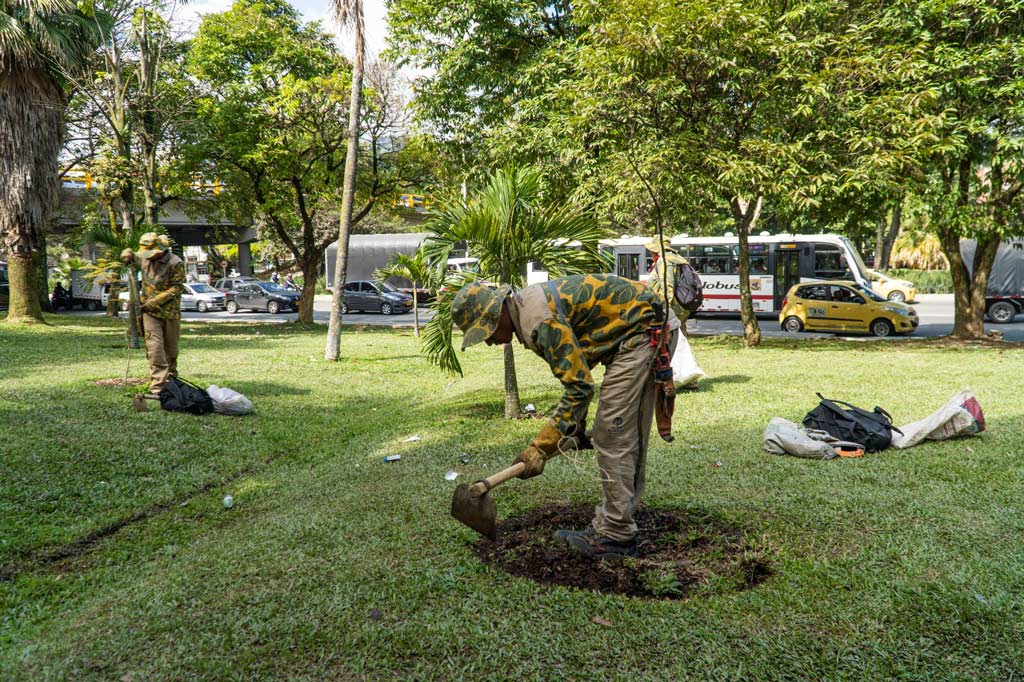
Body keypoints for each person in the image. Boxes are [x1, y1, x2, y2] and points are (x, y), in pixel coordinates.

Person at [450, 274, 679, 559]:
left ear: (496, 316)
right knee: (616, 432)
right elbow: (580, 359)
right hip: (637, 330)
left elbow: (580, 386)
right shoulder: (526, 307)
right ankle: (618, 518)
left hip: (644, 332)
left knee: (613, 433)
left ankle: (616, 536)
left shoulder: (538, 323)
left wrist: (540, 448)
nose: (488, 342)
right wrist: (575, 429)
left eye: (484, 333)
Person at [121, 233, 186, 396]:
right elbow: (131, 256)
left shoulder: (175, 262)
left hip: (170, 312)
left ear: (159, 250)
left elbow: (177, 288)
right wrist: (126, 252)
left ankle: (172, 383)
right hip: (149, 313)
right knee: (155, 348)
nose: (148, 257)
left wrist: (155, 301)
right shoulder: (144, 258)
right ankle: (158, 387)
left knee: (171, 350)